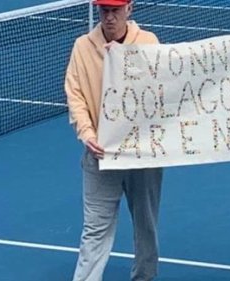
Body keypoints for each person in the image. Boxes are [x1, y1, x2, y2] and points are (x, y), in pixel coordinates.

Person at [64, 0, 163, 280]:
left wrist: (125, 60)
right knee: (94, 230)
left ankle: (144, 277)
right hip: (99, 157)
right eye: (104, 11)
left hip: (142, 156)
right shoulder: (82, 47)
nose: (109, 17)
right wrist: (87, 134)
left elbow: (160, 89)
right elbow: (76, 96)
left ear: (129, 9)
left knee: (146, 225)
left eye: (115, 11)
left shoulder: (148, 42)